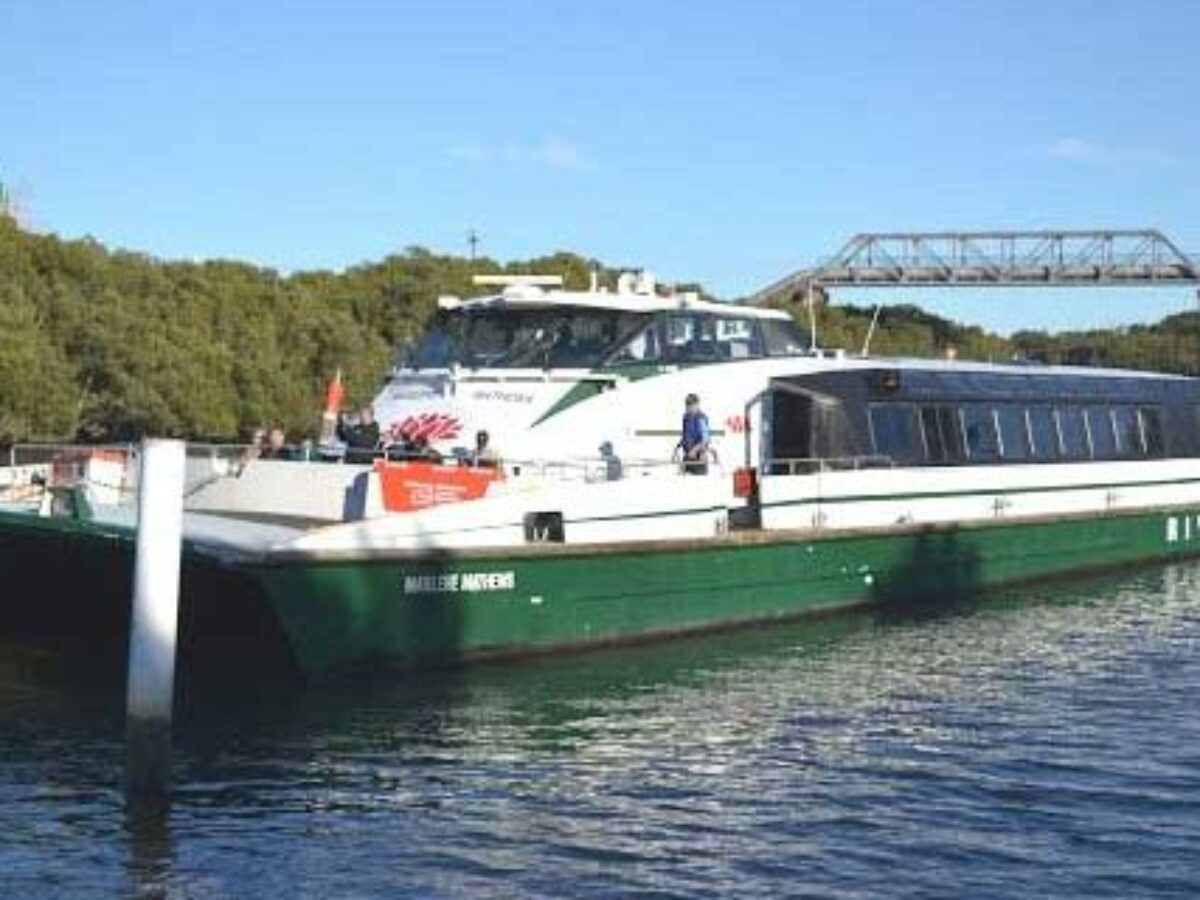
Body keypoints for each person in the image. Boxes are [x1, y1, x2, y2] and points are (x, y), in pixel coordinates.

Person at [679, 393, 710, 475]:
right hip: (687, 456)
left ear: (697, 405)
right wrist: (678, 447)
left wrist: (695, 450)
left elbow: (705, 439)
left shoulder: (701, 419)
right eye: (687, 405)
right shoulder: (686, 418)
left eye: (691, 405)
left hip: (699, 457)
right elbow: (685, 435)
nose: (688, 408)